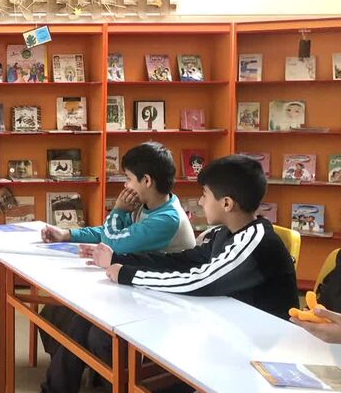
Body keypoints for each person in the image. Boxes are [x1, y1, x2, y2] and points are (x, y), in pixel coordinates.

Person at [82, 155, 298, 386]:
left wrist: (128, 275)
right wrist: (118, 259)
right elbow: (183, 261)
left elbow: (201, 280)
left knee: (141, 349)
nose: (201, 202)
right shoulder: (224, 233)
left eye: (205, 195)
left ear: (226, 203)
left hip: (260, 353)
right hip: (226, 330)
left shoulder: (256, 240)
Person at [38, 142, 195, 393]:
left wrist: (118, 211)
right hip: (136, 288)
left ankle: (109, 382)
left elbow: (113, 241)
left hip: (163, 301)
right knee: (62, 314)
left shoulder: (167, 219)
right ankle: (68, 384)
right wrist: (68, 234)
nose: (125, 186)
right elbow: (110, 233)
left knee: (92, 331)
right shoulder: (148, 206)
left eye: (128, 178)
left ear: (146, 181)